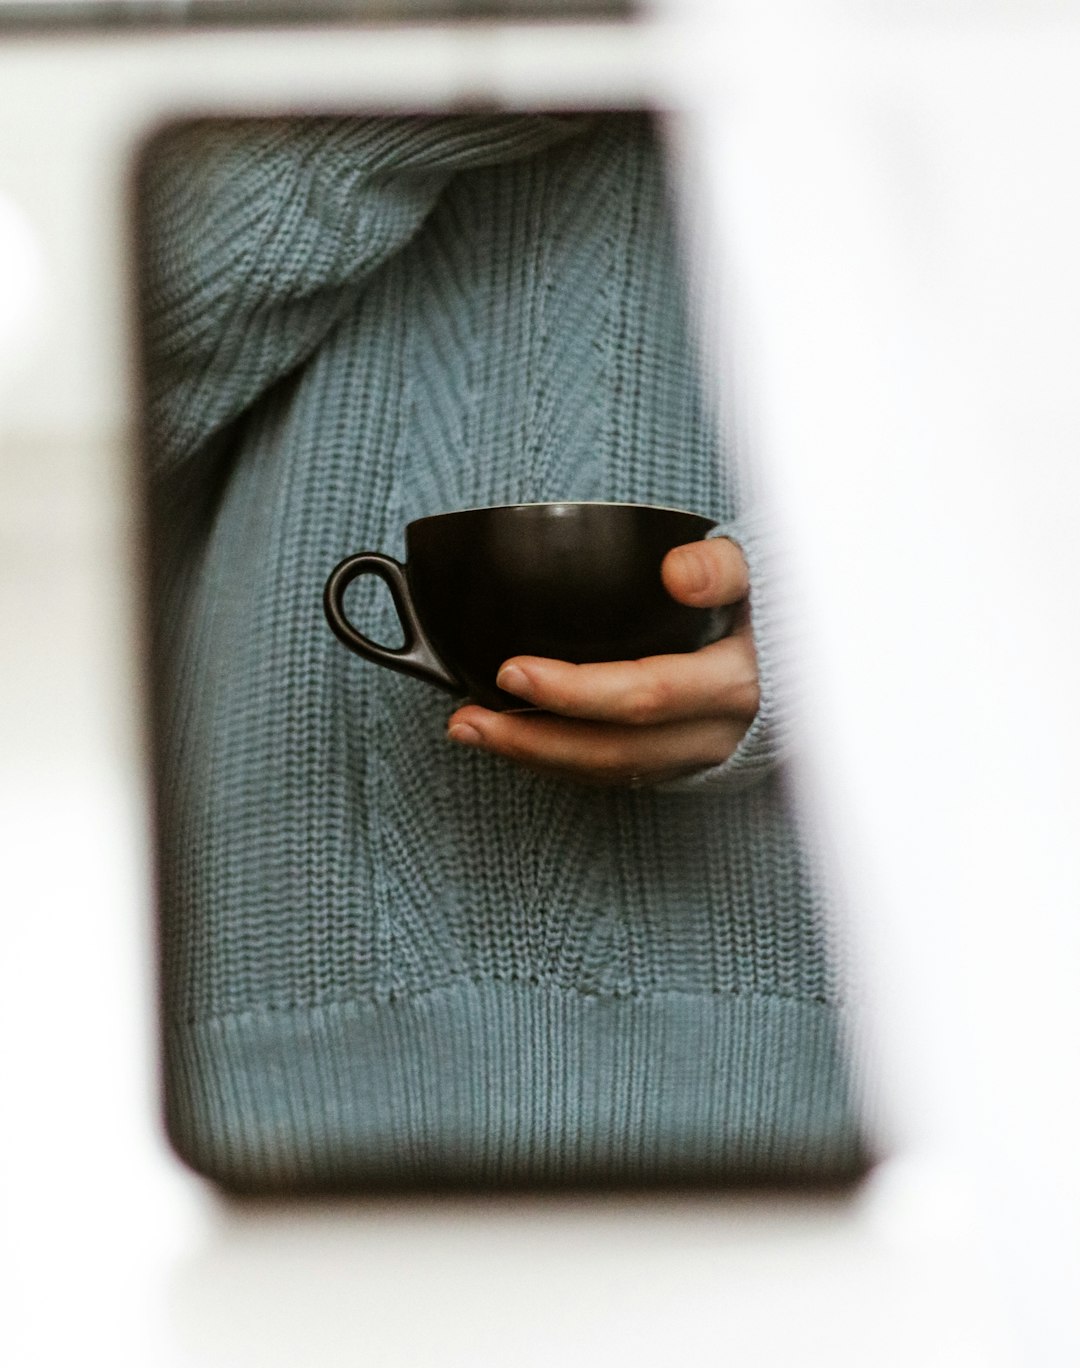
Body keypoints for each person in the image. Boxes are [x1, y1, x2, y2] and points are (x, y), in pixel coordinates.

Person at [142, 110, 866, 1190]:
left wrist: (865, 613)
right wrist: (412, 65)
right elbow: (62, 366)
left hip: (867, 1042)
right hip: (254, 1052)